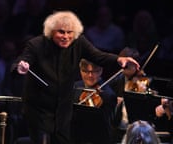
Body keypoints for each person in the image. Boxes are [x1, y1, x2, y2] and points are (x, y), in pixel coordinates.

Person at [12, 10, 140, 144]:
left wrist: (119, 60)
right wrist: (20, 66)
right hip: (40, 108)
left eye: (70, 32)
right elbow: (22, 61)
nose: (66, 36)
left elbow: (98, 55)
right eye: (61, 32)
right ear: (51, 32)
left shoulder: (79, 42)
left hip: (62, 109)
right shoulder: (36, 44)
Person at [73, 58, 117, 144]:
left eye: (94, 72)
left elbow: (106, 126)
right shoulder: (75, 87)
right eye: (85, 71)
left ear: (101, 71)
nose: (90, 75)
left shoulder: (108, 94)